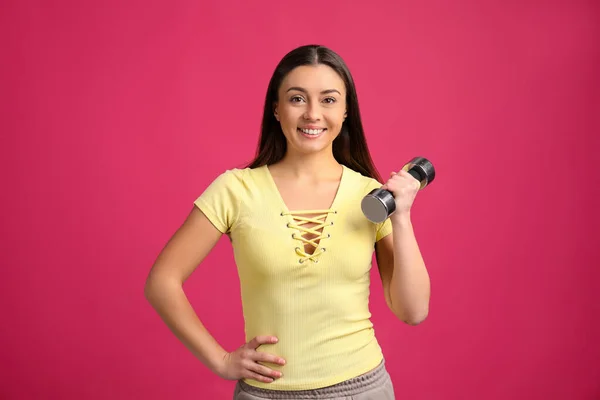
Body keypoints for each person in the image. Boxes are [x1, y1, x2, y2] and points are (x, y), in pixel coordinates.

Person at [144, 44, 431, 399]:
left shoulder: (372, 196)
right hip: (267, 394)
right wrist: (220, 360)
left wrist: (401, 216)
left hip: (363, 389)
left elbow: (413, 310)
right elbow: (162, 281)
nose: (312, 114)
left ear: (345, 112)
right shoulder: (236, 190)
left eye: (328, 100)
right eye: (297, 99)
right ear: (277, 110)